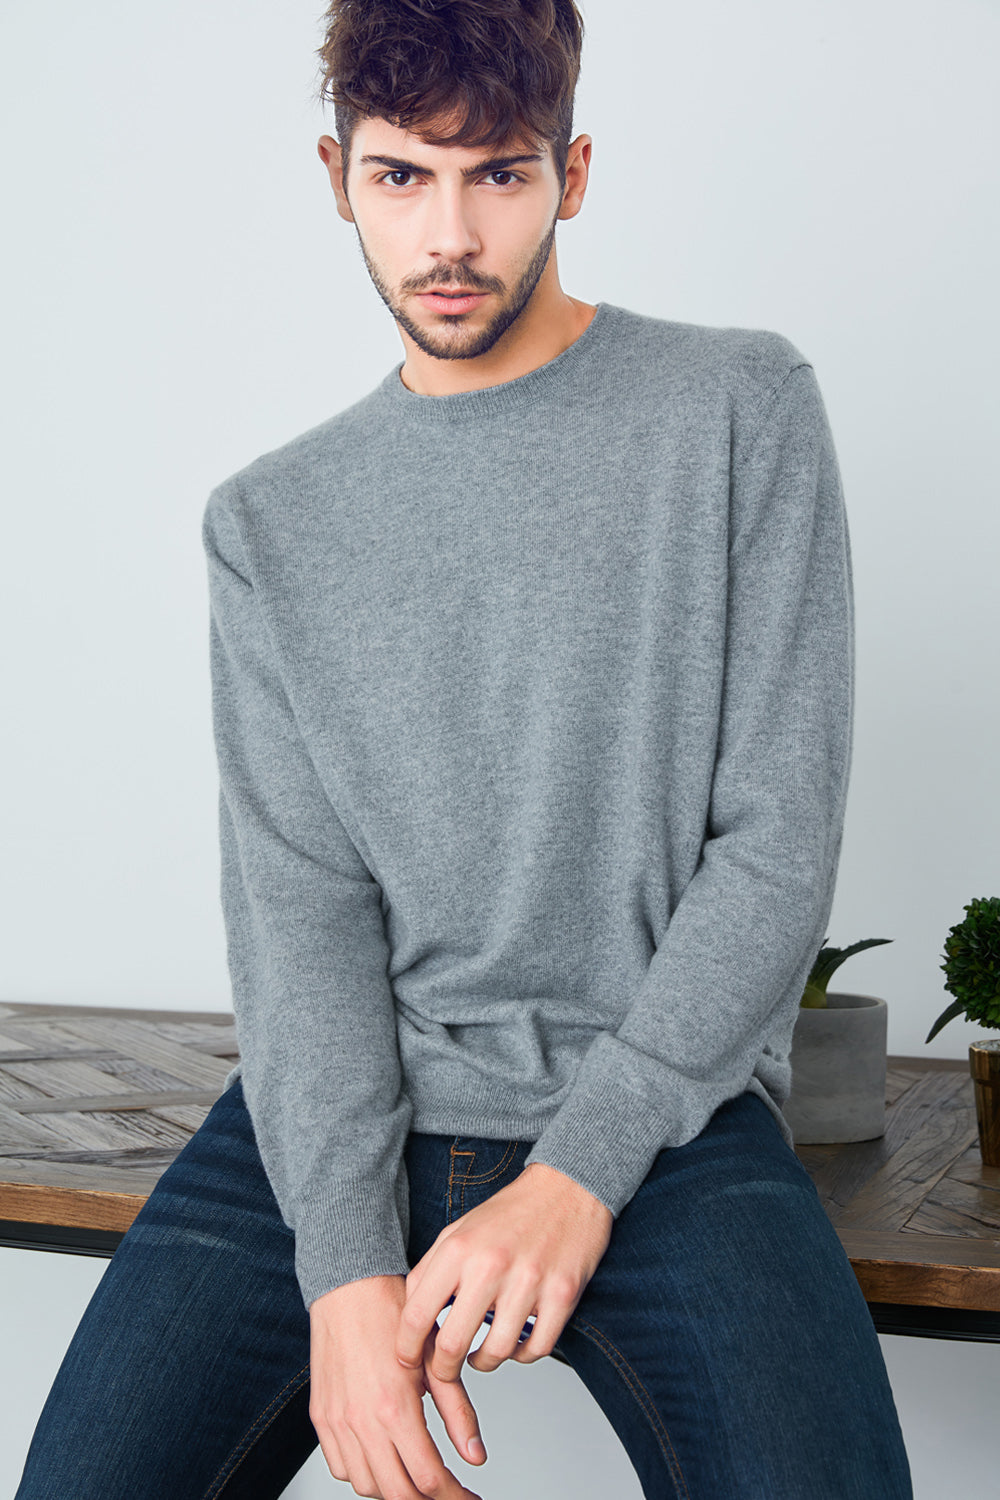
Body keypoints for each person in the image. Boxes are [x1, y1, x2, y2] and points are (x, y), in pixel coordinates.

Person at [16, 2, 915, 1497]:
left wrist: (578, 1174)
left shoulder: (739, 410)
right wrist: (339, 1266)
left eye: (498, 174)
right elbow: (304, 922)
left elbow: (775, 842)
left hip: (665, 1121)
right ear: (336, 177)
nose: (449, 235)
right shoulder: (270, 526)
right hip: (339, 1119)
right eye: (401, 176)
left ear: (574, 172)